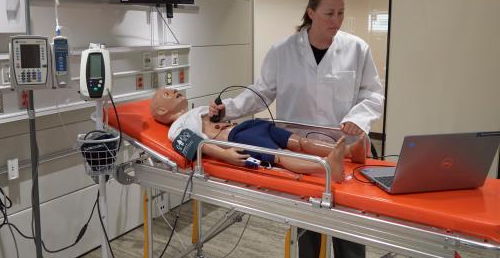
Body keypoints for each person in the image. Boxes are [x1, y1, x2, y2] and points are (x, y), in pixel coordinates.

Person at [209, 0, 384, 258]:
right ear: (311, 12)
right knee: (308, 223)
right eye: (329, 13)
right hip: (301, 152)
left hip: (343, 147)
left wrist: (358, 118)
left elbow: (372, 95)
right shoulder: (283, 51)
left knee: (350, 228)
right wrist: (228, 111)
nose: (336, 19)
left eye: (341, 12)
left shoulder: (357, 49)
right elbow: (261, 92)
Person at [150, 87, 369, 181]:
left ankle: (349, 152)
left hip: (251, 126)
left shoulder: (195, 111)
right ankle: (328, 167)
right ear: (161, 110)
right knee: (280, 155)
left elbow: (219, 116)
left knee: (298, 141)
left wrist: (219, 111)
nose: (174, 91)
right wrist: (225, 156)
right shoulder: (176, 128)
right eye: (167, 94)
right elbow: (198, 145)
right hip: (238, 138)